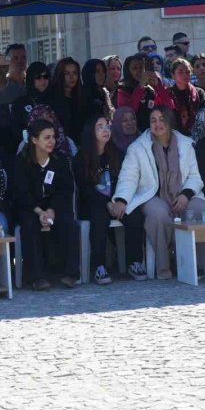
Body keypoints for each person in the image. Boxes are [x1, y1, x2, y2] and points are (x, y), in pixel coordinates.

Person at [112, 106, 205, 280]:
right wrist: (121, 199)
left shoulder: (186, 144)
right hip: (151, 195)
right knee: (159, 213)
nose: (158, 124)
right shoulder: (138, 147)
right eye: (153, 120)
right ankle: (165, 265)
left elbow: (195, 176)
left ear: (170, 121)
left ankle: (192, 262)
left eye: (162, 119)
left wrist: (185, 195)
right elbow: (129, 177)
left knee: (198, 208)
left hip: (183, 193)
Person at [73, 116, 143, 285]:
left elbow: (124, 180)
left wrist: (119, 201)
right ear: (91, 132)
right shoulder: (81, 158)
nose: (106, 130)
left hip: (116, 201)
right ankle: (99, 266)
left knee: (135, 216)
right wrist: (107, 204)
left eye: (107, 126)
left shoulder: (116, 154)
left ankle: (134, 262)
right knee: (99, 218)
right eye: (100, 127)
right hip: (93, 204)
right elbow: (85, 189)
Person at [13, 119, 79, 290]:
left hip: (54, 208)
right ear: (34, 140)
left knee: (68, 223)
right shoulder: (22, 161)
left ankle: (71, 274)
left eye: (53, 137)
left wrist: (51, 210)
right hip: (31, 208)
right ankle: (36, 277)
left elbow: (66, 189)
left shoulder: (60, 160)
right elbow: (21, 193)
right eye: (47, 138)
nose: (52, 141)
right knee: (28, 224)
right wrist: (39, 212)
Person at [114, 53, 173, 131]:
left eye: (141, 67)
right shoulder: (122, 90)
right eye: (135, 68)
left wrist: (158, 86)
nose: (139, 70)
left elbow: (169, 107)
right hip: (133, 135)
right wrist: (140, 87)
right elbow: (128, 113)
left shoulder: (150, 89)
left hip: (152, 133)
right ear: (128, 71)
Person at [10, 61, 52, 145]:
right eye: (38, 77)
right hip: (30, 148)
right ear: (31, 79)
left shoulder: (56, 100)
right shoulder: (20, 103)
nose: (42, 80)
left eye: (45, 76)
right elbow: (15, 131)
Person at [49, 57, 85, 141]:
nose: (71, 77)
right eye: (67, 73)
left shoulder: (82, 97)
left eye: (75, 73)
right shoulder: (52, 98)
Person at [167, 59, 205, 136]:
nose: (185, 75)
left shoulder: (199, 92)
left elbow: (204, 115)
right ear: (173, 75)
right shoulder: (168, 94)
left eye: (188, 72)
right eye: (181, 72)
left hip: (197, 134)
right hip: (174, 135)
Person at [81, 58, 114, 123]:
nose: (101, 75)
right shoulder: (84, 94)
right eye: (97, 71)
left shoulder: (103, 92)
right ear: (89, 73)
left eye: (103, 71)